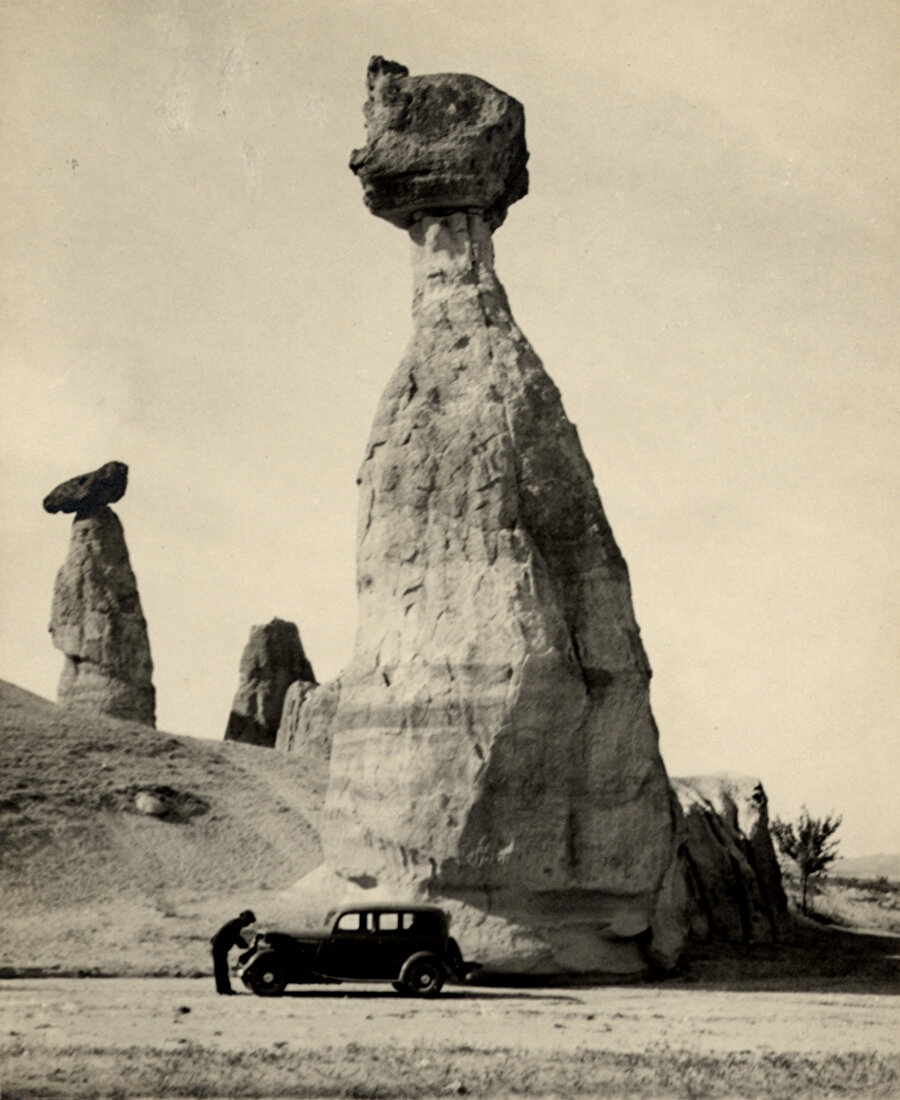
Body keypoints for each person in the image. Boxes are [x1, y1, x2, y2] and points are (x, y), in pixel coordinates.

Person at [211, 909, 256, 995]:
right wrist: (246, 946)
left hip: (220, 947)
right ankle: (224, 989)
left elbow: (236, 937)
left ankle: (223, 989)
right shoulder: (235, 924)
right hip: (219, 947)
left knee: (222, 968)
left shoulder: (236, 923)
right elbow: (236, 938)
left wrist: (244, 945)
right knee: (221, 969)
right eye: (248, 922)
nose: (248, 924)